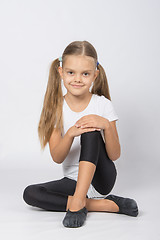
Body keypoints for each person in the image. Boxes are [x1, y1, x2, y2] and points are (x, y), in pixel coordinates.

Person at [23, 40, 139, 228]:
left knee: (90, 133)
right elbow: (57, 157)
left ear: (95, 75)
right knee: (30, 193)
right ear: (61, 73)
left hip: (101, 179)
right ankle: (103, 205)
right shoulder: (56, 109)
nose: (77, 79)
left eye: (85, 74)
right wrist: (69, 134)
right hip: (73, 181)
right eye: (71, 72)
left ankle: (77, 204)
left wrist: (106, 126)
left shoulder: (102, 104)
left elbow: (115, 155)